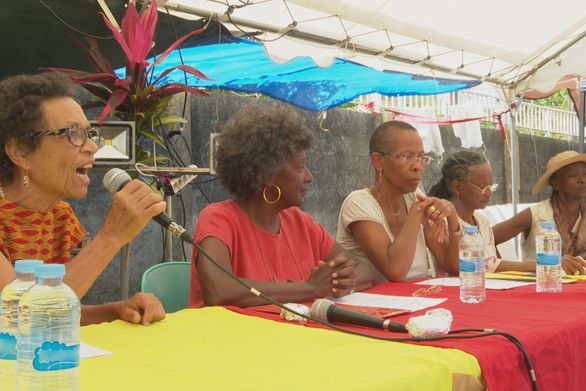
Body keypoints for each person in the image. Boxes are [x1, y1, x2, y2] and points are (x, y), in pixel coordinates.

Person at [0, 72, 166, 325]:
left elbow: (53, 311)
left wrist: (114, 311)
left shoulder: (59, 217)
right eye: (73, 134)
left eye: (89, 134)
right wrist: (112, 236)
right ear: (21, 152)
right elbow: (21, 318)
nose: (92, 147)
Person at [190, 103, 375, 307]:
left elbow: (365, 270)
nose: (309, 177)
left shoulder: (299, 221)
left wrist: (339, 281)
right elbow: (219, 291)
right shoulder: (218, 219)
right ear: (267, 174)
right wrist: (310, 288)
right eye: (300, 167)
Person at [336, 120, 460, 283]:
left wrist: (452, 218)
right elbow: (395, 271)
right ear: (378, 161)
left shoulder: (415, 197)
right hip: (373, 304)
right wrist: (416, 212)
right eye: (406, 156)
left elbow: (452, 265)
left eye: (421, 157)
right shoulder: (358, 203)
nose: (418, 166)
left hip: (417, 298)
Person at [493, 150, 586, 275]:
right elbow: (486, 239)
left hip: (584, 289)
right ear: (556, 183)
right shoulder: (535, 214)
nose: (583, 180)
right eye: (573, 176)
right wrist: (499, 273)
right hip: (542, 287)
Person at [428, 150, 535, 272]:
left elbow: (492, 263)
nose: (489, 193)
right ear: (457, 187)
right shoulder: (439, 221)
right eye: (482, 187)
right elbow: (462, 267)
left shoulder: (482, 221)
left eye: (491, 186)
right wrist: (532, 266)